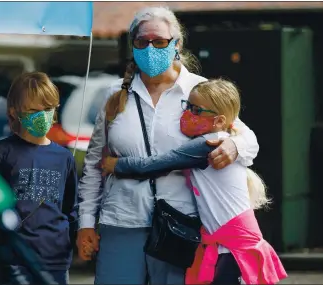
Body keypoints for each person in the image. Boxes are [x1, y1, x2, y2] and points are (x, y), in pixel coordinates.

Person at [76, 6, 259, 285]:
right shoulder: (114, 95)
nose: (151, 48)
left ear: (177, 44)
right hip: (122, 220)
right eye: (142, 41)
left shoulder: (201, 91)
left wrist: (234, 147)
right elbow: (93, 165)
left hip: (181, 223)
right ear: (133, 45)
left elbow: (248, 140)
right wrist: (86, 222)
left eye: (160, 41)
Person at [100, 79, 287, 285]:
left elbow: (155, 164)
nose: (187, 114)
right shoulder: (221, 138)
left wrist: (116, 165)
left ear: (219, 120)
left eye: (196, 110)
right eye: (187, 106)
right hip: (228, 243)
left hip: (233, 247)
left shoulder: (207, 144)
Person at [0, 72, 77, 285]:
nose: (42, 115)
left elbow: (71, 207)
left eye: (47, 109)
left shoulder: (64, 157)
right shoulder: (2, 152)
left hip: (55, 256)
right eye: (33, 110)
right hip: (13, 256)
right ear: (15, 113)